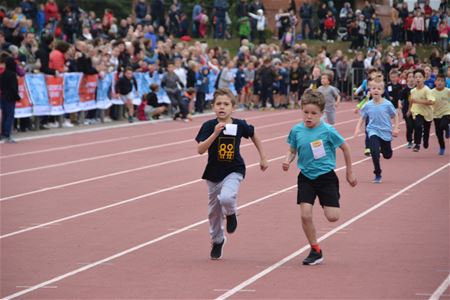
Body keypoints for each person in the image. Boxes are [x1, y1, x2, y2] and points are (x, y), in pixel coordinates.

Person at [282, 90, 356, 266]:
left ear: (321, 114)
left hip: (326, 177)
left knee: (333, 216)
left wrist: (349, 172)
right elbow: (292, 149)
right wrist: (288, 160)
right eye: (306, 112)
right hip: (306, 177)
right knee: (305, 214)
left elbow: (346, 148)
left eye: (313, 113)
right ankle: (315, 250)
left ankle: (330, 198)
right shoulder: (296, 130)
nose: (309, 117)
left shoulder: (328, 130)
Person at [195, 88, 268, 260]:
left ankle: (231, 214)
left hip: (234, 169)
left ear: (233, 108)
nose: (222, 107)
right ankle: (218, 240)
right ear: (213, 107)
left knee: (227, 198)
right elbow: (200, 150)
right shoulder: (207, 126)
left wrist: (263, 157)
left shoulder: (239, 124)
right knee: (213, 213)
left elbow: (254, 134)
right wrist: (215, 133)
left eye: (226, 104)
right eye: (218, 104)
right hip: (213, 173)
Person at [354, 77, 399, 183]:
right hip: (373, 130)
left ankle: (382, 149)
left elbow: (395, 115)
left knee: (388, 155)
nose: (376, 90)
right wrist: (357, 128)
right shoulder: (368, 105)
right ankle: (377, 172)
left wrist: (396, 127)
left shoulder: (387, 104)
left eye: (379, 89)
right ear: (370, 90)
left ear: (382, 91)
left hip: (386, 131)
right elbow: (362, 117)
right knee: (374, 152)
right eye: (373, 88)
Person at [409, 69, 435, 152]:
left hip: (427, 113)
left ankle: (426, 140)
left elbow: (431, 102)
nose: (418, 79)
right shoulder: (412, 91)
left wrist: (418, 101)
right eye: (416, 77)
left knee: (426, 131)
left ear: (424, 78)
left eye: (420, 77)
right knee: (418, 126)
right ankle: (417, 144)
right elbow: (411, 101)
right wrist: (409, 109)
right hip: (417, 111)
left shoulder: (427, 90)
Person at [0, 56, 21, 143]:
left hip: (2, 96)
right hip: (10, 98)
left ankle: (3, 134)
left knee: (4, 116)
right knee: (9, 116)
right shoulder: (12, 74)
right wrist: (17, 97)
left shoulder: (2, 73)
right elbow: (14, 88)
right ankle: (7, 135)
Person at [431, 73, 450, 155]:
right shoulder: (431, 92)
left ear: (445, 83)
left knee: (443, 124)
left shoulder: (448, 91)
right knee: (439, 134)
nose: (440, 82)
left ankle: (448, 128)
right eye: (438, 80)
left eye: (442, 81)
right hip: (436, 115)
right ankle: (442, 147)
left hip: (447, 113)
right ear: (435, 82)